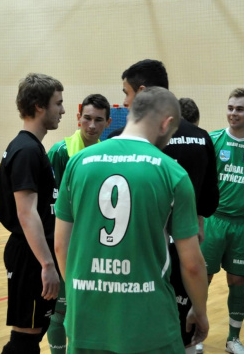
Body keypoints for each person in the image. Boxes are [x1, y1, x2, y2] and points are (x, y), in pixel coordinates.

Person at [54, 87, 209, 354]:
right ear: (167, 123)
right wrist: (201, 312)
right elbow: (193, 264)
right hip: (149, 321)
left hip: (85, 318)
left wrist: (82, 293)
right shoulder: (172, 172)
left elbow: (60, 246)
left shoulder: (77, 162)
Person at [108, 59, 219, 353]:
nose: (124, 101)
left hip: (139, 256)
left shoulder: (118, 143)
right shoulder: (201, 137)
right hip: (185, 252)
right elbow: (207, 203)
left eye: (126, 93)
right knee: (181, 331)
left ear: (142, 92)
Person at [200, 87, 244, 354]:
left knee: (238, 282)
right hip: (213, 221)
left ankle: (233, 339)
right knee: (202, 279)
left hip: (243, 225)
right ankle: (195, 335)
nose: (233, 113)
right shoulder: (213, 139)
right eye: (230, 108)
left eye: (239, 109)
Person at [0, 73, 65, 354]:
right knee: (25, 339)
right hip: (30, 257)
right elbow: (27, 214)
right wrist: (47, 265)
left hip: (34, 254)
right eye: (58, 103)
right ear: (39, 106)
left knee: (32, 335)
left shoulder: (33, 148)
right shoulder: (26, 150)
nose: (62, 110)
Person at [46, 93, 111, 354]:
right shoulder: (60, 152)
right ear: (78, 118)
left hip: (95, 249)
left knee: (90, 311)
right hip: (66, 246)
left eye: (98, 120)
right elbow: (50, 205)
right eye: (87, 118)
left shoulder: (108, 156)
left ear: (107, 123)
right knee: (60, 312)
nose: (92, 125)